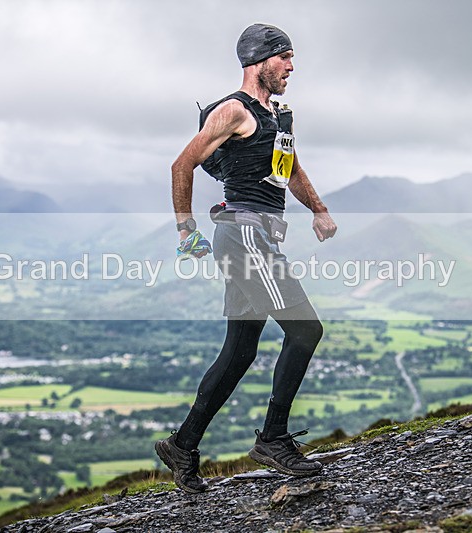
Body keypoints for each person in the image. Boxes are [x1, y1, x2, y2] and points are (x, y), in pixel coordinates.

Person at [156, 23, 337, 493]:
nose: (292, 66)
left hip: (257, 237)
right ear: (259, 61)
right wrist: (185, 228)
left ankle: (182, 445)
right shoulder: (234, 110)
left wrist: (318, 210)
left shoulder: (277, 116)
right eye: (285, 57)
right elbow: (182, 163)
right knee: (305, 330)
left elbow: (288, 170)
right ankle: (273, 439)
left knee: (240, 351)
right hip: (244, 236)